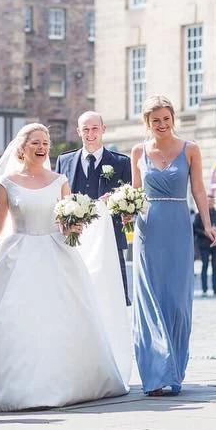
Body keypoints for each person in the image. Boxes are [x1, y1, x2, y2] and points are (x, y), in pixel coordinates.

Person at [0, 124, 128, 410]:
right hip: (17, 252)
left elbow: (68, 222)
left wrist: (75, 224)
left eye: (45, 142)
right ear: (22, 148)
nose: (42, 146)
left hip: (56, 254)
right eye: (35, 142)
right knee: (6, 318)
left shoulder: (60, 180)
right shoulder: (7, 183)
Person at [130, 95, 216, 396]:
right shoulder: (137, 151)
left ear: (173, 119)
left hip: (178, 227)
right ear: (147, 123)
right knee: (150, 300)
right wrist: (126, 211)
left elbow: (198, 189)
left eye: (166, 119)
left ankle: (174, 369)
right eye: (156, 120)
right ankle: (154, 374)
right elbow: (135, 194)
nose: (162, 125)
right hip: (148, 230)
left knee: (178, 301)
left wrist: (207, 224)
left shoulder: (190, 149)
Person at [56, 111, 134, 304]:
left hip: (110, 239)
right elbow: (56, 202)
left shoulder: (121, 162)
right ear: (78, 132)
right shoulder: (63, 161)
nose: (90, 134)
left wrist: (119, 205)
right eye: (85, 129)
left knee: (112, 299)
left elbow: (130, 203)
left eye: (95, 129)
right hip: (74, 240)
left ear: (103, 130)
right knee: (75, 299)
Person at [193, 196, 216, 296]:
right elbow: (194, 229)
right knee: (205, 266)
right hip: (204, 244)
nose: (210, 203)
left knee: (215, 267)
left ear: (214, 202)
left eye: (211, 202)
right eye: (208, 202)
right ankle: (204, 290)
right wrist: (205, 231)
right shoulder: (199, 215)